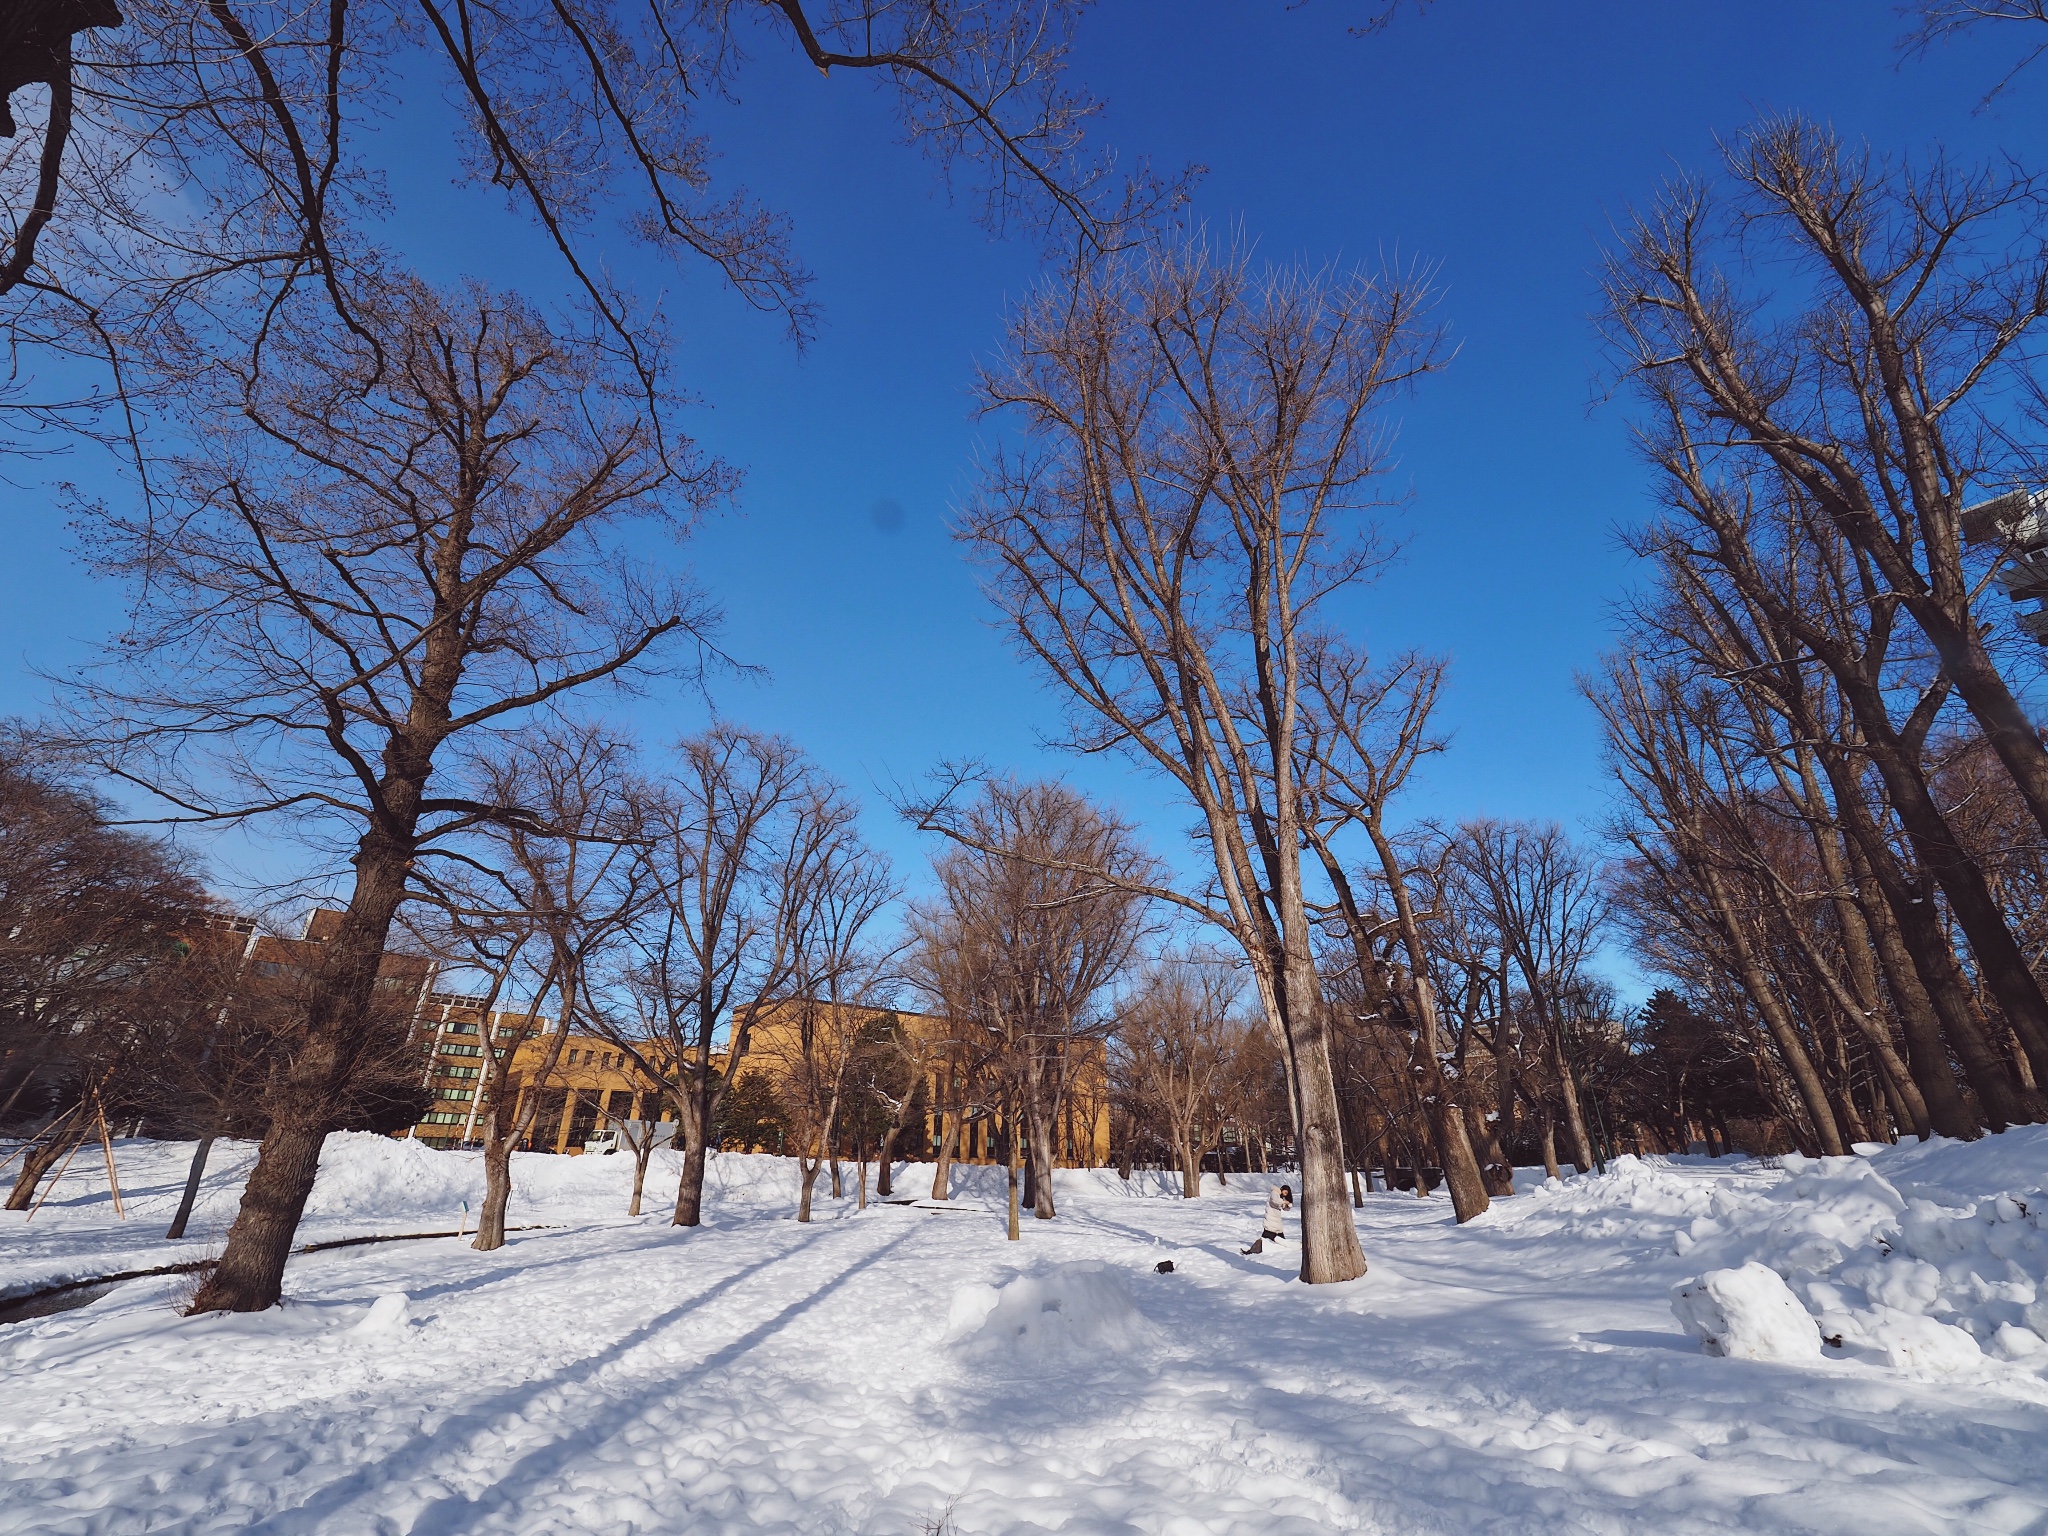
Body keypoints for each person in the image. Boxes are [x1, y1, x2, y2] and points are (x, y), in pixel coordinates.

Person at [1241, 1183, 1292, 1254]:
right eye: (1285, 1192)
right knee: (1268, 1238)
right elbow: (1275, 1201)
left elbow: (1283, 1207)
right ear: (1282, 1189)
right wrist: (1284, 1202)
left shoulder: (1279, 1196)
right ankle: (1252, 1251)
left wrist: (1287, 1206)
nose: (1285, 1194)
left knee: (1277, 1238)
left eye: (1287, 1194)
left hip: (1276, 1222)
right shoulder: (1274, 1193)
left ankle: (1252, 1251)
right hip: (1271, 1221)